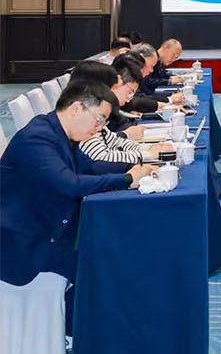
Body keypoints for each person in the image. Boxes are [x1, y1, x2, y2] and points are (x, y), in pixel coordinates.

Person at [0, 81, 154, 291]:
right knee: (108, 267)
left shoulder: (61, 133)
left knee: (121, 241)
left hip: (54, 227)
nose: (100, 128)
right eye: (99, 120)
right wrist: (127, 179)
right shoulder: (37, 138)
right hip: (26, 244)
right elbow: (70, 184)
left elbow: (90, 167)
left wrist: (135, 168)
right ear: (76, 108)